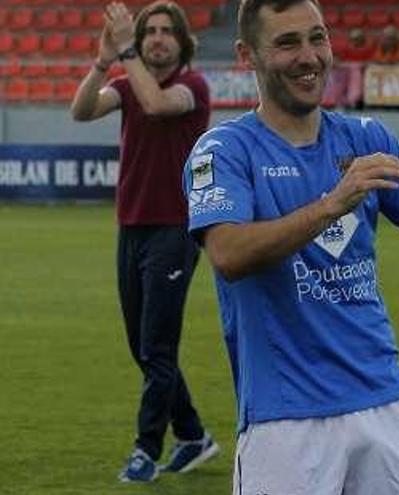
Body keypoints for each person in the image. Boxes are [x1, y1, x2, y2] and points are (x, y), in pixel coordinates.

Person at [182, 0, 399, 493]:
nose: (309, 56)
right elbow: (227, 254)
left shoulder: (367, 137)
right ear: (248, 55)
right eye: (287, 43)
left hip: (386, 400)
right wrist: (333, 203)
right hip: (286, 418)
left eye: (317, 37)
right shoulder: (224, 150)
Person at [69, 0, 218, 483]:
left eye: (165, 32)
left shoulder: (191, 87)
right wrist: (100, 61)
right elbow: (81, 110)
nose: (156, 38)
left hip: (174, 229)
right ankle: (194, 435)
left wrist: (127, 49)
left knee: (156, 345)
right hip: (131, 227)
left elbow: (155, 103)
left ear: (182, 42)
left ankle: (145, 449)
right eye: (148, 31)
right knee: (143, 346)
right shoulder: (128, 85)